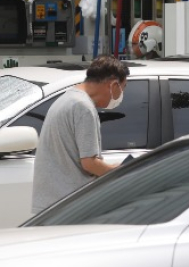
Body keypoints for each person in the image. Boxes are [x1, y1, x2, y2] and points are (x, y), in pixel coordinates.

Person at [31, 55, 130, 215]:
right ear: (113, 85)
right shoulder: (84, 108)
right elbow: (90, 163)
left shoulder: (68, 98)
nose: (121, 95)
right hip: (69, 207)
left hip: (52, 204)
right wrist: (122, 171)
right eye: (123, 88)